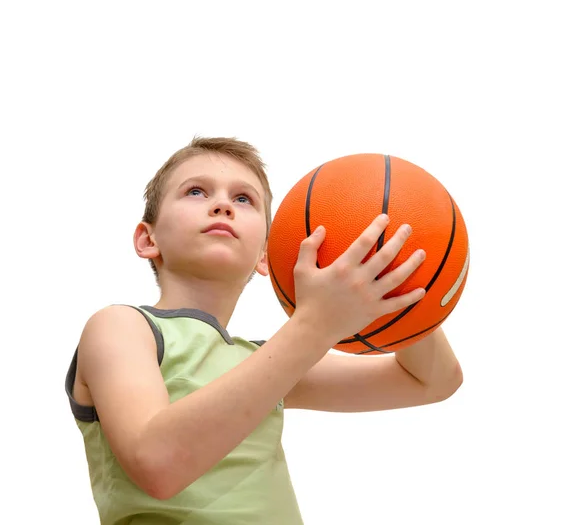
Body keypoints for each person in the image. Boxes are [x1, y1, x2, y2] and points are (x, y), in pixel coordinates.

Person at [65, 136, 463, 524]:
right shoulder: (121, 326)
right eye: (196, 192)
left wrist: (396, 276)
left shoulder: (267, 361)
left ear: (266, 256)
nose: (222, 204)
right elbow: (157, 464)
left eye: (244, 199)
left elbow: (432, 381)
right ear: (147, 238)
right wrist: (315, 324)